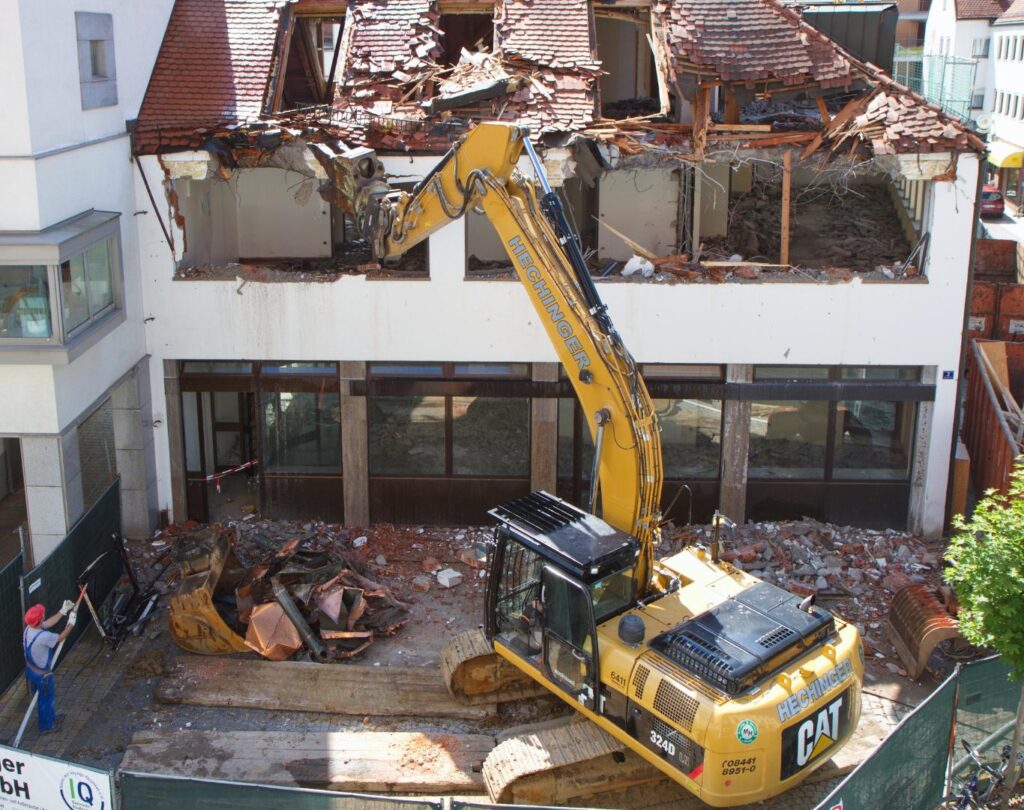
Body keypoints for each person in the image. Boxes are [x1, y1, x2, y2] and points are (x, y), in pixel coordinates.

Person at [23, 598, 78, 733]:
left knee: (44, 698)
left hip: (31, 670)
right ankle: (46, 726)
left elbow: (48, 623)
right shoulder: (44, 637)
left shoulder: (29, 630)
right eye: (42, 615)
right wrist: (71, 624)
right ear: (40, 619)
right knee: (45, 700)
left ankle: (51, 717)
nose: (44, 616)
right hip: (43, 676)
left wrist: (63, 611)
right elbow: (60, 638)